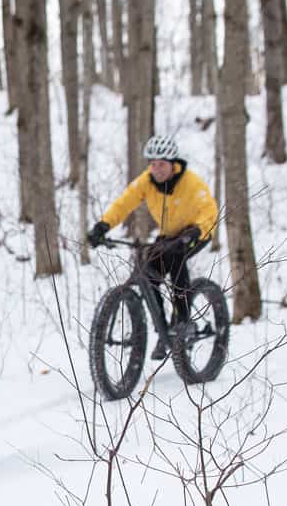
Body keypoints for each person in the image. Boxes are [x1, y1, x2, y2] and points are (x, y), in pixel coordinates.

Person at [87, 135, 219, 360]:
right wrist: (103, 226)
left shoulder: (191, 183)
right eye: (153, 164)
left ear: (172, 163)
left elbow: (209, 211)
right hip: (169, 235)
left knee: (176, 258)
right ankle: (164, 329)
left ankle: (183, 321)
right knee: (149, 273)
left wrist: (197, 231)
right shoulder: (146, 182)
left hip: (196, 232)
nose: (157, 169)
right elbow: (123, 204)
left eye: (162, 164)